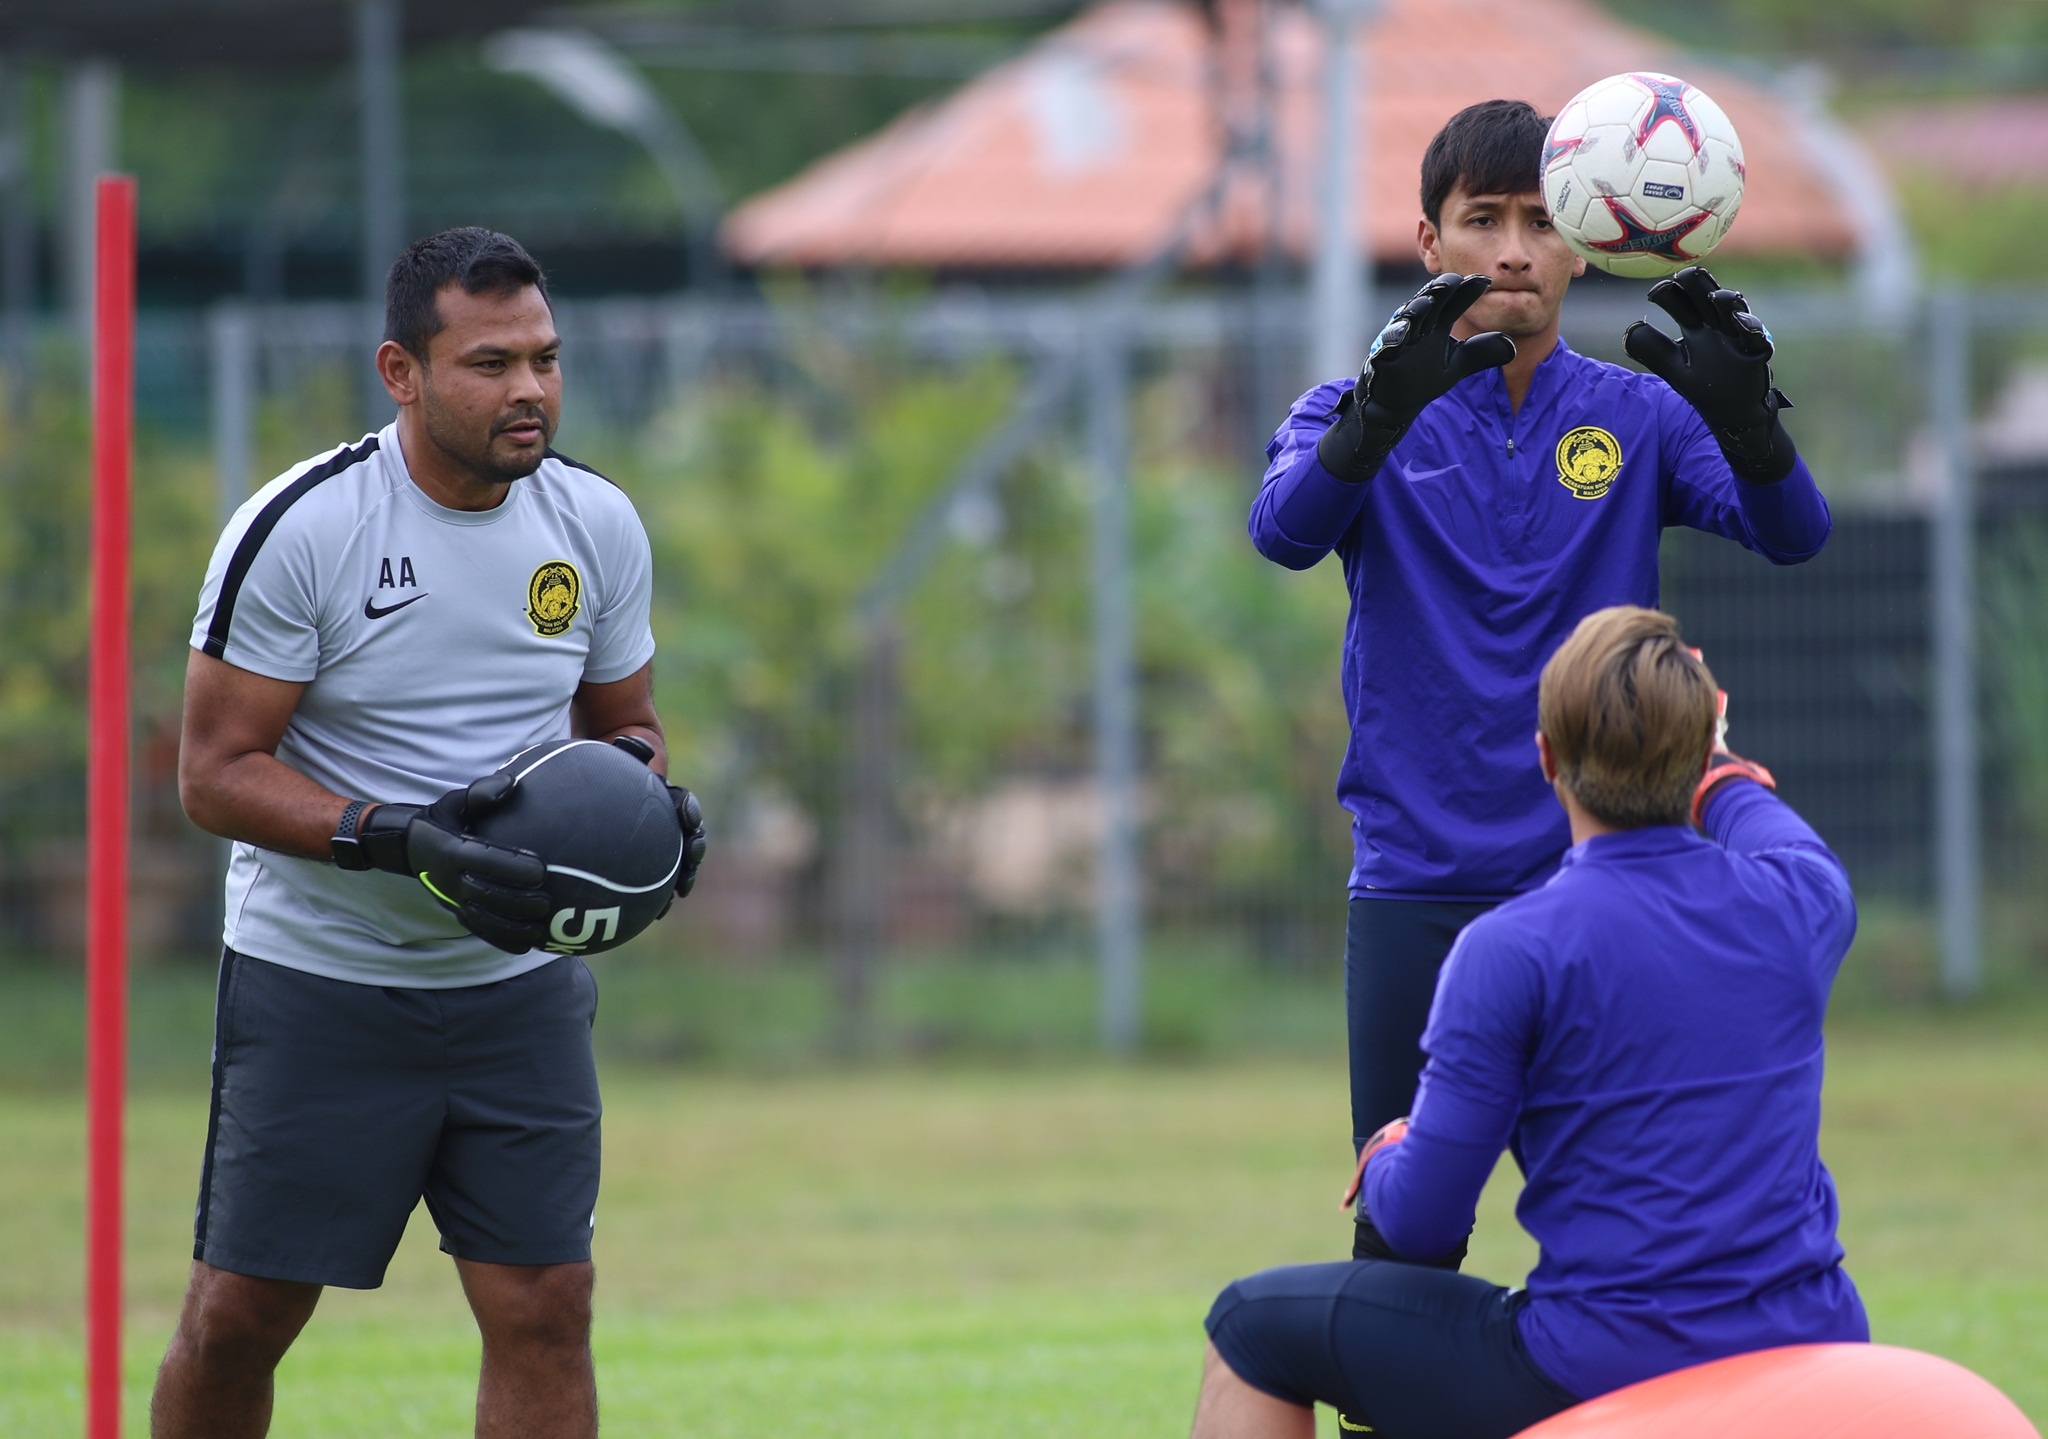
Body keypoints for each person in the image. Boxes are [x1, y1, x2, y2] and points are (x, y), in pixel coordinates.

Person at [150, 227, 705, 1439]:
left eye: (545, 358)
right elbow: (214, 774)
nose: (529, 389)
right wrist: (398, 836)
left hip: (517, 988)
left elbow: (627, 725)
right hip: (321, 979)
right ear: (400, 372)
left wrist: (647, 807)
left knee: (545, 1306)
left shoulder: (595, 520)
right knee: (242, 1315)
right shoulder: (305, 528)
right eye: (490, 363)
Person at [1248, 99, 1835, 1229]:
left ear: (1586, 241)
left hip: (1601, 880)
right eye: (1482, 220)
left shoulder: (1642, 415)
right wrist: (1372, 421)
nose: (1513, 249)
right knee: (1404, 1231)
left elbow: (1794, 533)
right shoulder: (1351, 411)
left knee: (1633, 1215)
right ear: (1430, 242)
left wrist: (1751, 426)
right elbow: (1283, 533)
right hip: (1415, 883)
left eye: (1540, 219)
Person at [1191, 605, 1866, 1439]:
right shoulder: (1803, 902)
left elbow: (1424, 1221)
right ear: (1700, 755)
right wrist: (1713, 757)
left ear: (1545, 757)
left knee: (1248, 1327)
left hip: (1603, 1365)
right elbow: (1753, 810)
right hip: (1810, 1350)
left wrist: (1390, 1155)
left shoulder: (1509, 950)